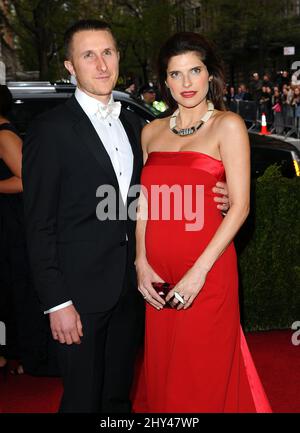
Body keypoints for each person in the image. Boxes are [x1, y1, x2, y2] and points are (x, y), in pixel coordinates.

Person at [22, 20, 230, 413]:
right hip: (77, 295)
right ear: (70, 66)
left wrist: (220, 193)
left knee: (118, 398)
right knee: (82, 401)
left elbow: (156, 193)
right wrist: (56, 302)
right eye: (88, 55)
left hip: (133, 289)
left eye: (108, 53)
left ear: (118, 57)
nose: (101, 65)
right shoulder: (49, 131)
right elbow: (38, 224)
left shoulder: (137, 125)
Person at [132, 32, 272, 413]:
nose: (186, 83)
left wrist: (198, 272)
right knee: (164, 372)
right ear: (165, 81)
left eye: (194, 71)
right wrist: (141, 262)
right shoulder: (150, 132)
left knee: (203, 372)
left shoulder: (227, 126)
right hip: (157, 274)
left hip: (208, 271)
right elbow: (146, 204)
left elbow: (240, 207)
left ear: (210, 75)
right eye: (176, 75)